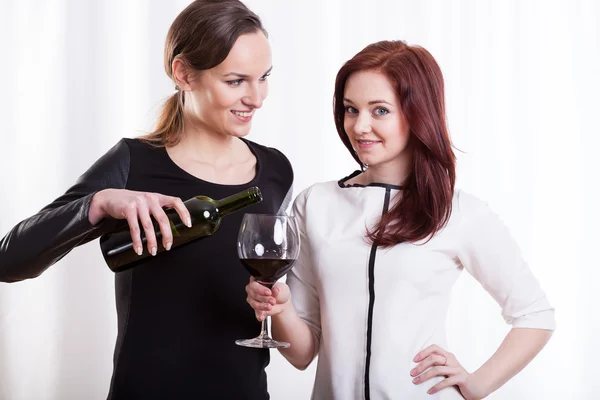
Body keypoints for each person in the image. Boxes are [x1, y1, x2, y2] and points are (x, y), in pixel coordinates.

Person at [0, 1, 293, 399]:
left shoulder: (276, 170)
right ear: (184, 73)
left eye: (264, 78)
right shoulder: (132, 162)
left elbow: (274, 295)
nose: (256, 98)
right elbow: (10, 260)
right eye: (236, 81)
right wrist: (98, 204)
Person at [245, 40, 555, 399]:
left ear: (417, 113)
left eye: (379, 111)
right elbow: (301, 354)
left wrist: (476, 385)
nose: (360, 126)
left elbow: (536, 315)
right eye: (351, 109)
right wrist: (279, 307)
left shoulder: (458, 212)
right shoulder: (315, 204)